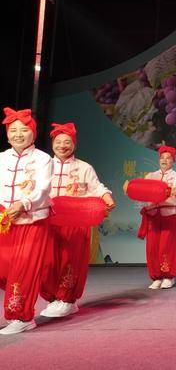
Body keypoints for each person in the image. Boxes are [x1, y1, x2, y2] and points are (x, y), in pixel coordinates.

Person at [40, 123, 115, 318]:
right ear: (52, 143)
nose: (62, 145)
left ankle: (67, 299)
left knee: (71, 260)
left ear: (74, 144)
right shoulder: (43, 166)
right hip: (47, 221)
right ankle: (54, 298)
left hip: (75, 222)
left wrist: (106, 197)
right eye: (58, 141)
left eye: (67, 142)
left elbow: (97, 187)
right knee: (47, 262)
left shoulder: (83, 167)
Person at [0, 108, 53, 335]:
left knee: (23, 269)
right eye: (13, 130)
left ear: (33, 132)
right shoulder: (1, 158)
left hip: (33, 221)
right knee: (5, 270)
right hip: (5, 222)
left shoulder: (43, 159)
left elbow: (42, 189)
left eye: (24, 130)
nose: (18, 134)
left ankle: (22, 317)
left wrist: (23, 203)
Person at [140, 145, 176, 290]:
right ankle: (156, 276)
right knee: (152, 246)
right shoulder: (150, 176)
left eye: (168, 158)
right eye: (162, 158)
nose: (164, 160)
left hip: (170, 214)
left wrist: (175, 190)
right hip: (153, 215)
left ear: (173, 161)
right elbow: (143, 191)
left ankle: (168, 276)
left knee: (167, 245)